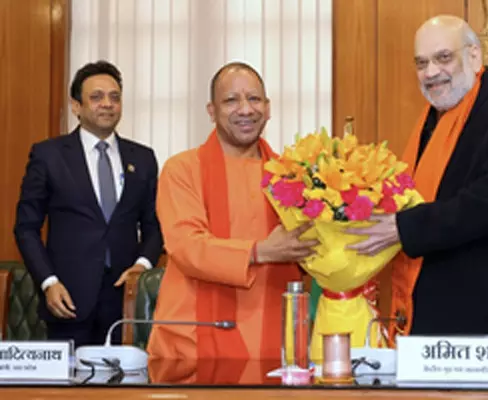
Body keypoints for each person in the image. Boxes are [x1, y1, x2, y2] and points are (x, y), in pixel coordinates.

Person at [347, 15, 488, 336]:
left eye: (443, 58)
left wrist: (404, 228)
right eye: (421, 63)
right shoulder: (428, 124)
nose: (431, 72)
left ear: (474, 56)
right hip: (441, 320)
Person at [147, 62, 317, 362]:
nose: (245, 109)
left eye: (254, 99)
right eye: (231, 100)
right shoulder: (182, 169)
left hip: (274, 342)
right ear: (211, 111)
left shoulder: (292, 176)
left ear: (268, 107)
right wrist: (260, 251)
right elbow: (186, 246)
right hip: (195, 343)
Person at [14, 60, 163, 347]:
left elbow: (154, 225)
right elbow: (26, 228)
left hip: (127, 302)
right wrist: (48, 282)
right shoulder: (49, 155)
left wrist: (142, 268)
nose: (107, 104)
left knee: (125, 388)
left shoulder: (143, 158)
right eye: (96, 97)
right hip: (67, 299)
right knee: (69, 391)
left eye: (115, 97)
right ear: (76, 106)